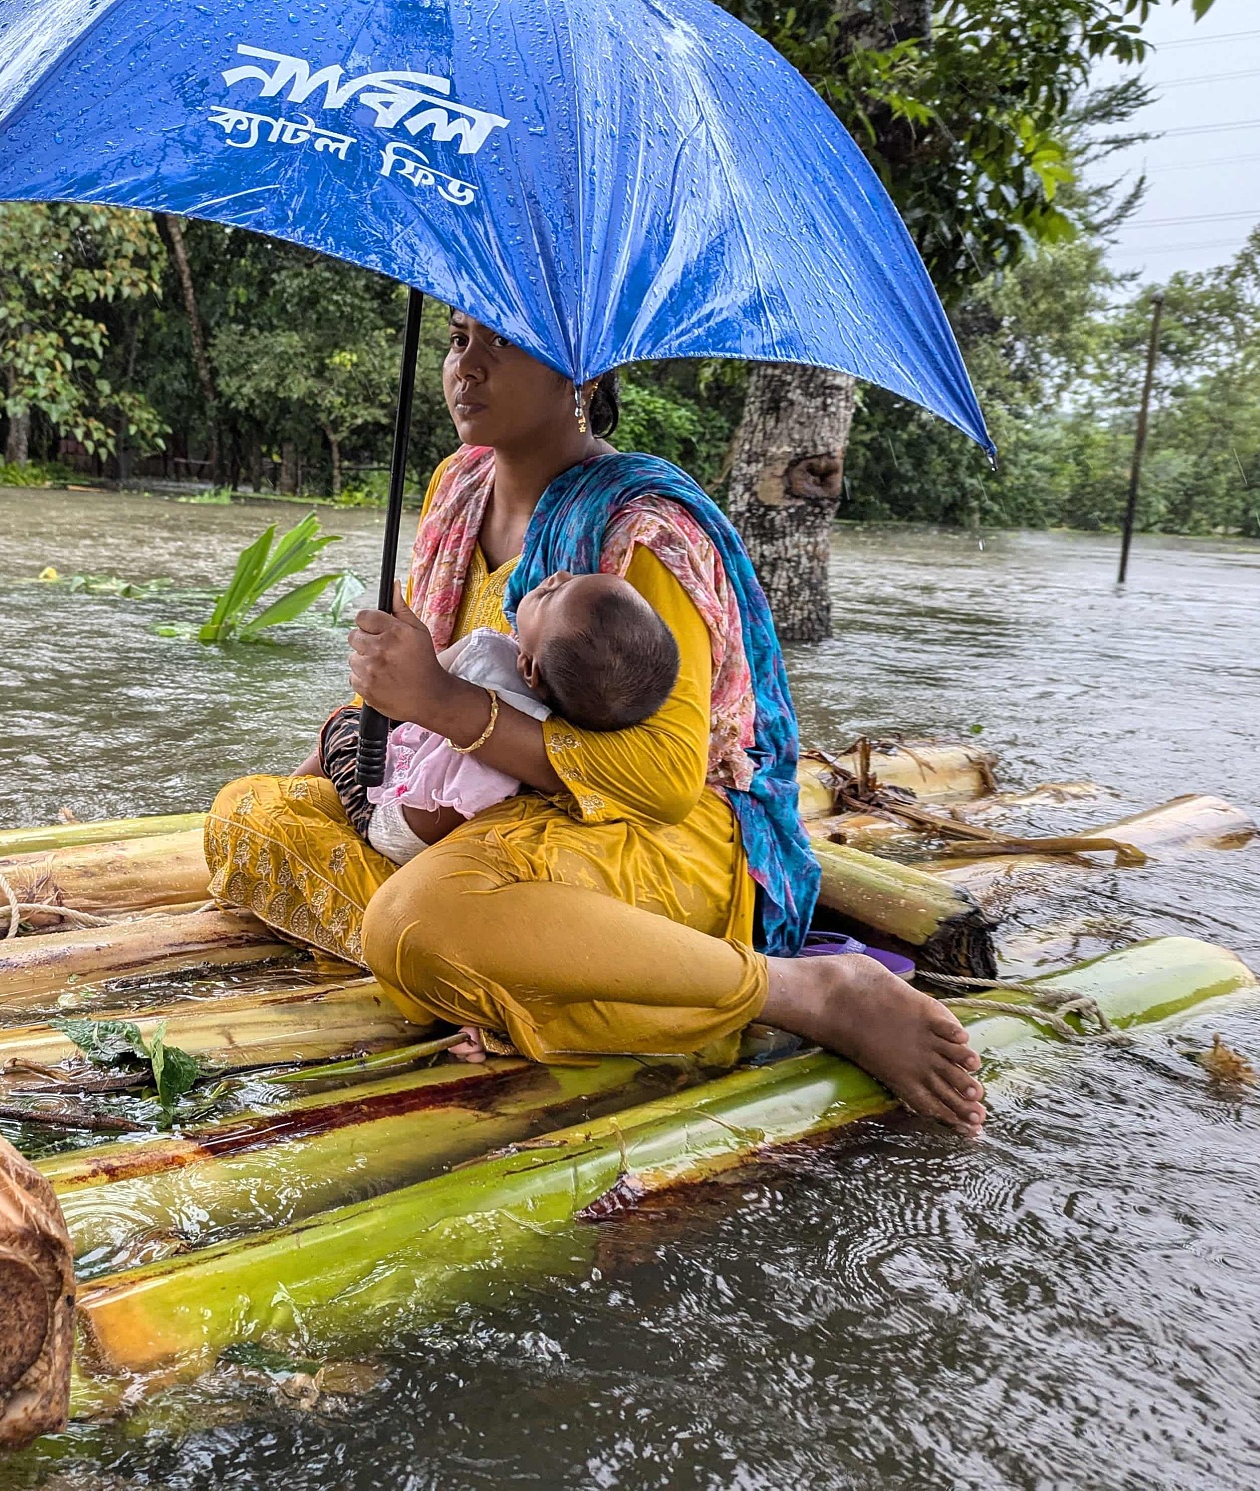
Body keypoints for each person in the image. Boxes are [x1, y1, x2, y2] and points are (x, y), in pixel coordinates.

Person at [205, 311, 986, 1136]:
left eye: (499, 344)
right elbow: (416, 705)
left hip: (639, 836)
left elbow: (665, 778)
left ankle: (803, 992)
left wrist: (443, 703)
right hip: (473, 815)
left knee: (415, 922)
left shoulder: (642, 532)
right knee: (247, 815)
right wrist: (365, 722)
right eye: (458, 339)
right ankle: (518, 975)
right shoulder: (453, 489)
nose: (465, 369)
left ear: (580, 375)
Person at [311, 572, 680, 866]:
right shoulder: (560, 731)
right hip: (441, 847)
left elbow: (399, 699)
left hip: (391, 828)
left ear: (530, 669)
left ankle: (288, 789)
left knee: (344, 723)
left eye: (554, 594)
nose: (558, 575)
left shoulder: (486, 651)